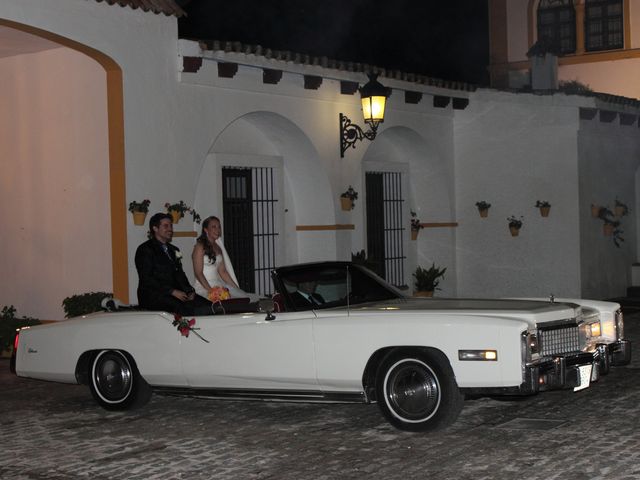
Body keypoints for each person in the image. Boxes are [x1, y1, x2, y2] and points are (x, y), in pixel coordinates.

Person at [135, 212, 213, 315]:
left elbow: (179, 274)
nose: (170, 229)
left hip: (175, 293)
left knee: (209, 306)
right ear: (155, 228)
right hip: (154, 295)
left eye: (171, 225)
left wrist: (189, 291)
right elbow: (147, 279)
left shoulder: (173, 250)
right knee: (183, 308)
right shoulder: (145, 249)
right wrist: (172, 291)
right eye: (166, 226)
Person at [192, 216, 260, 302]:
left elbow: (223, 272)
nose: (218, 230)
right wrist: (211, 291)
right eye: (214, 227)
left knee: (244, 298)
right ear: (206, 230)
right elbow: (198, 273)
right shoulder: (200, 246)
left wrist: (237, 288)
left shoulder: (218, 248)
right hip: (204, 287)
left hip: (219, 285)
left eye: (219, 227)